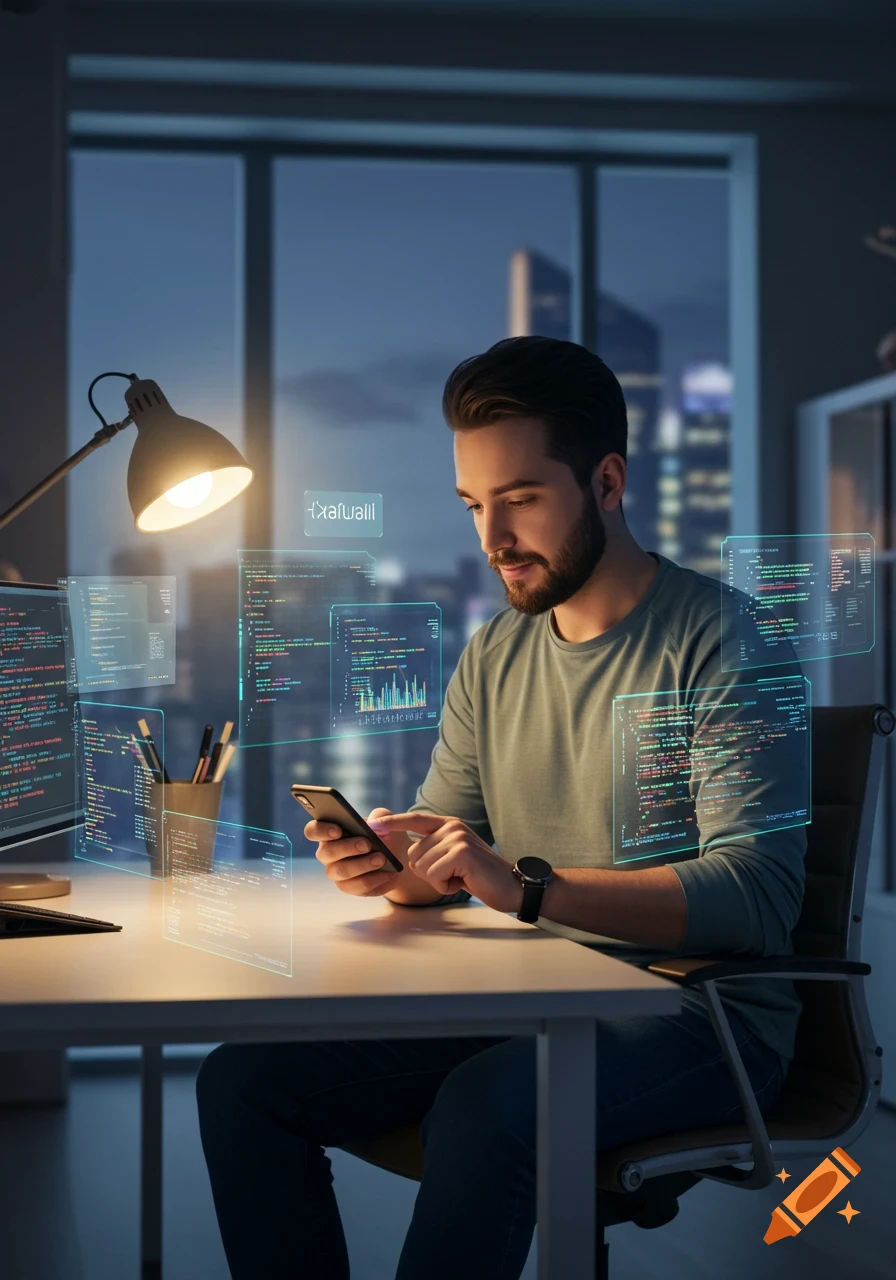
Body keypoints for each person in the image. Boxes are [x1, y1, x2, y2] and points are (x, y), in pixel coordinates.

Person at [196, 337, 806, 1280]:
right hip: (536, 994)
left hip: (701, 1015)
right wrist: (394, 872)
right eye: (475, 505)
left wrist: (526, 886)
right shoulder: (496, 654)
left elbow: (758, 898)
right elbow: (450, 858)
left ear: (606, 483)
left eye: (519, 500)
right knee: (243, 1079)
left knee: (491, 1104)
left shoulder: (725, 641)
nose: (491, 538)